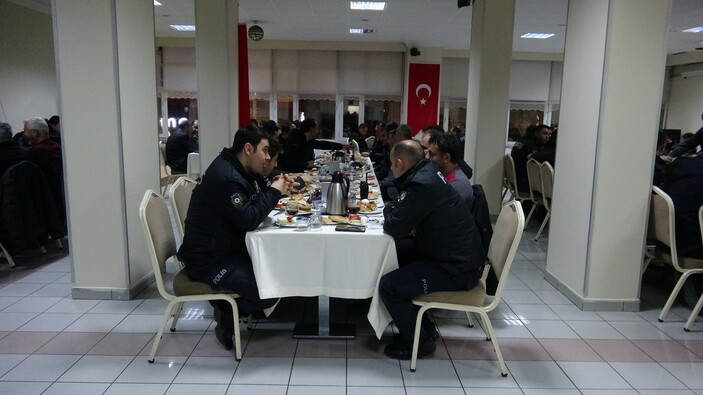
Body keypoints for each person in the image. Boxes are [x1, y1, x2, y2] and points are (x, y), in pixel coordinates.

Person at [177, 125, 291, 350]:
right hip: (209, 260)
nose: (268, 158)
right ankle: (225, 312)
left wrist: (274, 185)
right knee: (269, 291)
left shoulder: (238, 169)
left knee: (277, 273)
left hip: (228, 249)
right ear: (248, 149)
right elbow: (249, 218)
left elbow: (254, 202)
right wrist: (275, 191)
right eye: (266, 151)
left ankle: (231, 306)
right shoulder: (226, 177)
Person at [379, 140, 487, 360]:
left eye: (392, 165)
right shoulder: (427, 172)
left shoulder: (421, 184)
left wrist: (397, 213)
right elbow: (399, 212)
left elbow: (393, 225)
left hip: (457, 268)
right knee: (396, 257)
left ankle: (420, 343)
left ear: (399, 163)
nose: (391, 169)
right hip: (455, 256)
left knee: (389, 286)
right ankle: (423, 328)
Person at [278, 118, 346, 173]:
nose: (318, 131)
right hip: (292, 174)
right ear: (311, 129)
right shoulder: (295, 141)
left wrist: (342, 146)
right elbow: (290, 162)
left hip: (303, 172)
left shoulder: (308, 139)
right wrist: (306, 164)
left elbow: (322, 144)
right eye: (317, 129)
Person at [427, 133, 474, 207]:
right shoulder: (441, 177)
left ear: (446, 158)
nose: (427, 157)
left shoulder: (458, 185)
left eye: (431, 154)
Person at [511, 124, 553, 193]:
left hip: (515, 178)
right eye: (545, 133)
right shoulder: (532, 145)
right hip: (525, 182)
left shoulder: (522, 140)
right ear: (536, 133)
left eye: (550, 135)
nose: (548, 137)